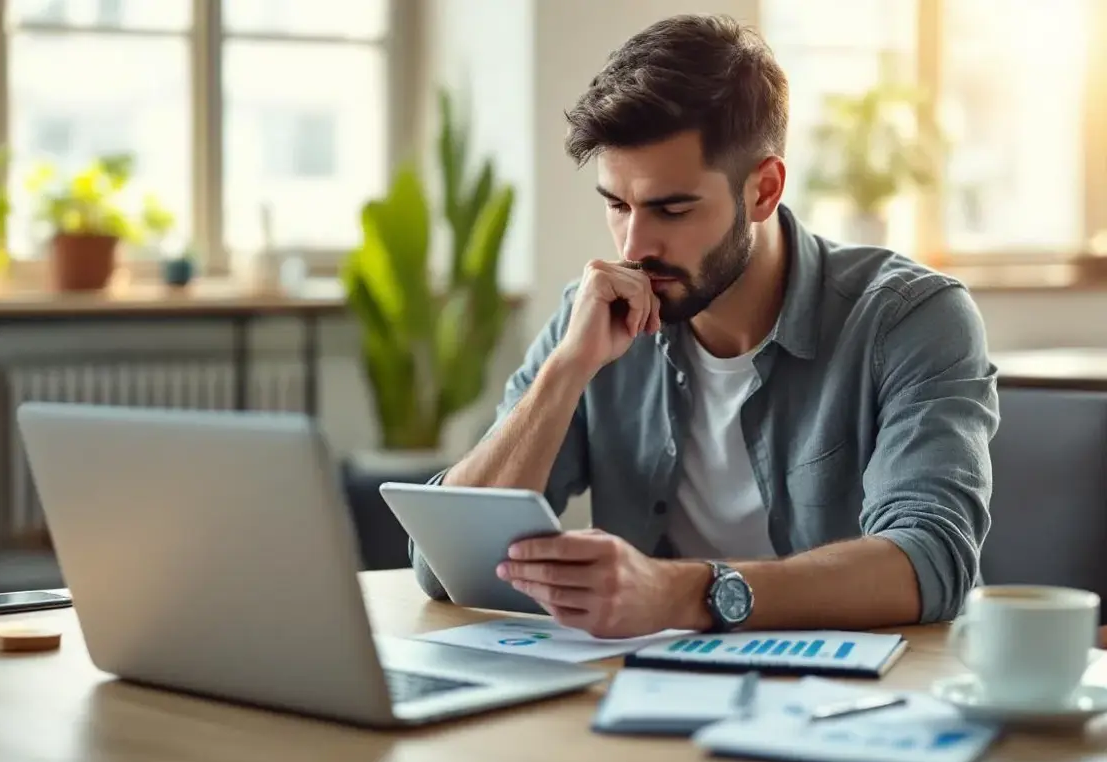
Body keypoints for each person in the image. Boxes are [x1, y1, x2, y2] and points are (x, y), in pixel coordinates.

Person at [409, 13, 999, 638]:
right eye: (617, 205)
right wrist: (566, 372)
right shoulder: (593, 317)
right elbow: (442, 568)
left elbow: (932, 559)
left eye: (672, 207)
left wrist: (684, 593)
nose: (635, 244)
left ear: (764, 191)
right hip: (655, 693)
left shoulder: (909, 319)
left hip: (866, 701)